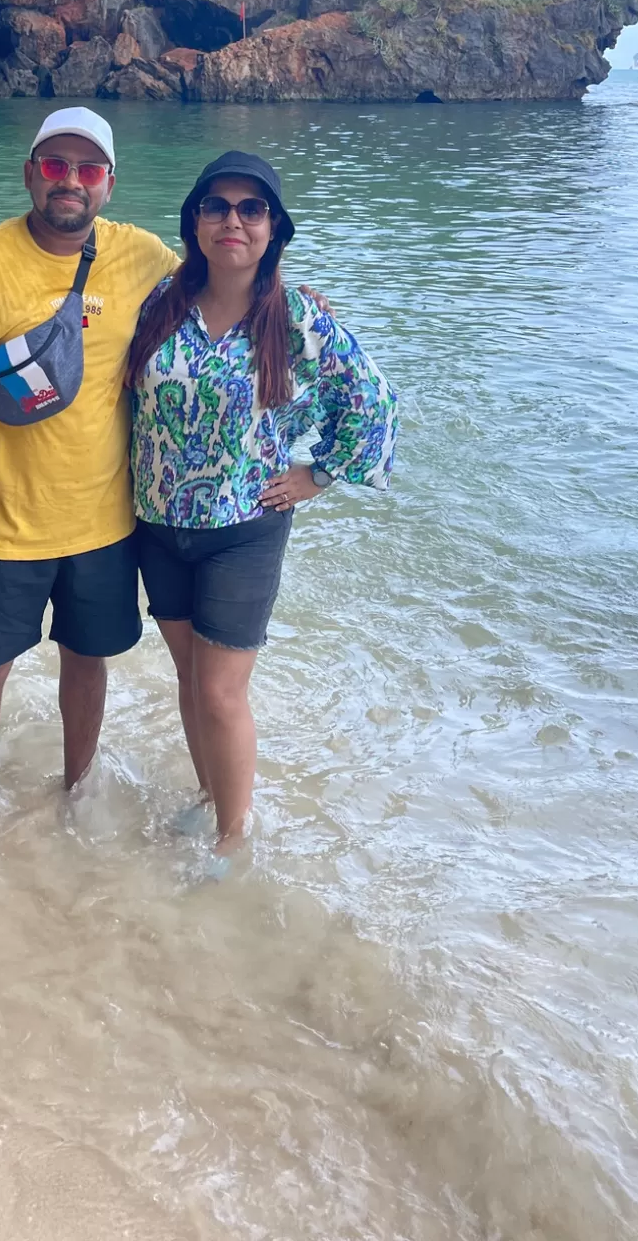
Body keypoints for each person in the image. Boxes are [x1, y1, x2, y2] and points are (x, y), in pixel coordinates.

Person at [126, 151, 398, 856]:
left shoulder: (298, 316)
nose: (233, 222)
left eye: (252, 210)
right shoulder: (160, 302)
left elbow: (373, 401)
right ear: (195, 222)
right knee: (189, 680)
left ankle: (233, 838)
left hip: (244, 528)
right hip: (157, 523)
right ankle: (211, 792)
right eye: (216, 207)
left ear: (273, 228)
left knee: (219, 692)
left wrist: (320, 474)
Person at [0, 106, 180, 821]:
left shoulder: (144, 257)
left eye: (87, 170)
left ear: (110, 184)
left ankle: (77, 788)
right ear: (30, 173)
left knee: (87, 660)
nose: (71, 181)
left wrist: (286, 296)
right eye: (55, 166)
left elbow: (221, 292)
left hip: (105, 521)